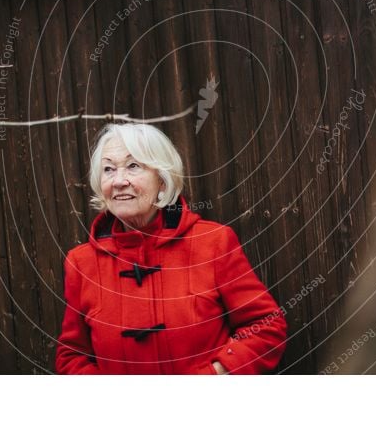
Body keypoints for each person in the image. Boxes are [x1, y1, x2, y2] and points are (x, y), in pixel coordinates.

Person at [55, 123, 287, 374]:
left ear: (163, 181)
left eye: (133, 166)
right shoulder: (82, 263)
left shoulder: (213, 243)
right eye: (108, 169)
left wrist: (217, 374)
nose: (119, 181)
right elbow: (71, 355)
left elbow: (266, 326)